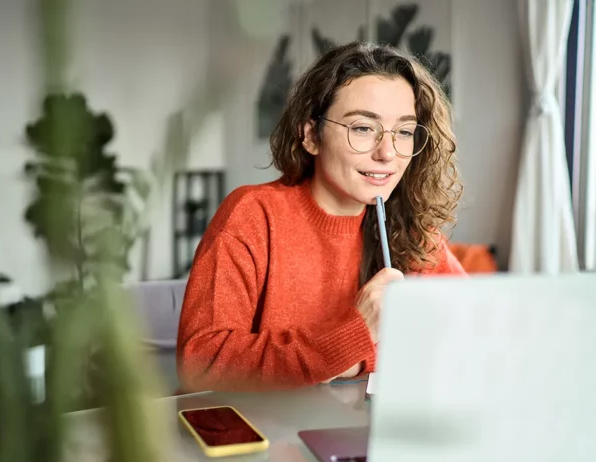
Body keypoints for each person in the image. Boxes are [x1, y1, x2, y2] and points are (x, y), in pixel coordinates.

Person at [177, 41, 466, 392]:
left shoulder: (410, 227)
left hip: (364, 435)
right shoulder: (253, 215)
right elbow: (202, 365)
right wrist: (355, 338)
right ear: (311, 135)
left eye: (404, 132)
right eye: (362, 128)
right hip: (256, 436)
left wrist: (359, 358)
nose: (387, 153)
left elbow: (472, 332)